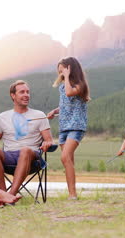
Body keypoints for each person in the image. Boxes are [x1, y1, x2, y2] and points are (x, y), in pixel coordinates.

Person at [0, 80, 53, 202]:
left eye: (28, 92)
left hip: (32, 158)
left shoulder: (39, 115)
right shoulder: (2, 117)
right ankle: (2, 192)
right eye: (22, 92)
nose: (26, 95)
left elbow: (49, 140)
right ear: (13, 95)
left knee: (25, 150)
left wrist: (47, 143)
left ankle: (11, 195)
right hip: (9, 157)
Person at [47, 57, 90, 200]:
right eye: (59, 72)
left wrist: (66, 77)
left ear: (71, 69)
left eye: (63, 71)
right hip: (64, 127)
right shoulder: (62, 87)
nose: (60, 74)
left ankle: (72, 195)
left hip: (76, 127)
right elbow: (66, 104)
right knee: (68, 161)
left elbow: (70, 93)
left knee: (64, 157)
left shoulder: (80, 85)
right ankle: (72, 194)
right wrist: (55, 111)